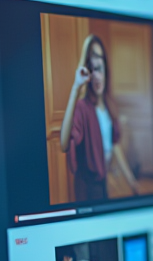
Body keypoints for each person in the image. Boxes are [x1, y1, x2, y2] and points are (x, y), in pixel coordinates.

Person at [59, 34, 138, 201]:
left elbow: (114, 145)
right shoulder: (82, 107)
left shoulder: (109, 105)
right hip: (87, 187)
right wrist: (76, 86)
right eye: (92, 66)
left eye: (100, 63)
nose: (97, 74)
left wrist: (131, 180)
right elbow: (64, 144)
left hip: (103, 182)